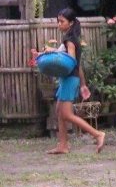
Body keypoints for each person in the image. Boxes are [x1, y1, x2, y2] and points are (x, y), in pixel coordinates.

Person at [34, 8, 106, 154]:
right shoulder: (71, 38)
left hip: (69, 79)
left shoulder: (70, 40)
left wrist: (53, 51)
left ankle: (98, 134)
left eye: (62, 21)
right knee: (59, 111)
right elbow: (78, 66)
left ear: (71, 23)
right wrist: (83, 84)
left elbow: (71, 61)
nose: (59, 24)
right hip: (69, 78)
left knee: (66, 114)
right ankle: (63, 145)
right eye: (58, 21)